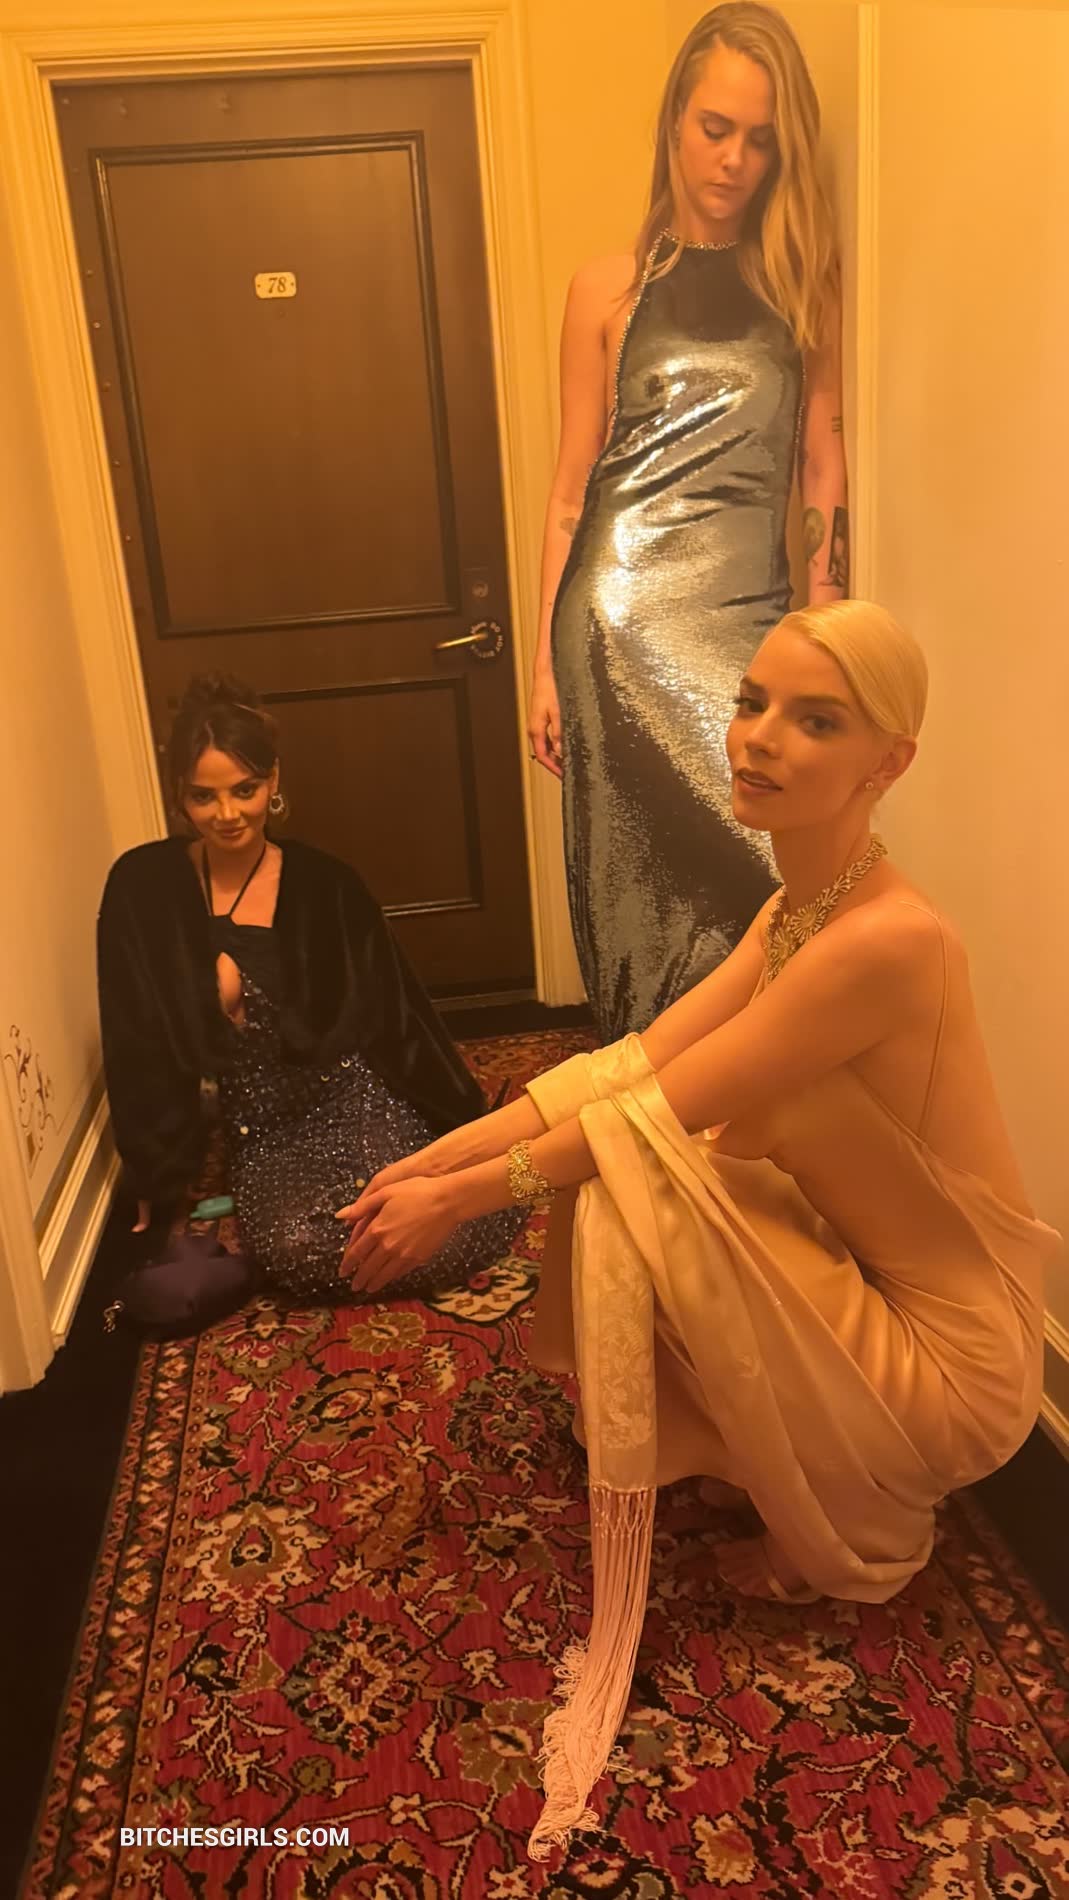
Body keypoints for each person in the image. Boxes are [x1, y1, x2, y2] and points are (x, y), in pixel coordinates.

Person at [339, 600, 1058, 1855]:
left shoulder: (884, 941)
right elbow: (632, 1059)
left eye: (815, 720)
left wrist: (456, 1199)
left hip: (958, 1368)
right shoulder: (802, 908)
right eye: (751, 702)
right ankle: (773, 1445)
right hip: (883, 1290)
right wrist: (427, 1157)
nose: (758, 737)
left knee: (641, 1172)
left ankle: (854, 1525)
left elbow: (651, 1112)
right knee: (636, 1147)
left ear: (888, 762)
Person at [528, 1, 847, 1039]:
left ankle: (749, 1113)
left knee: (773, 884)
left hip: (747, 630)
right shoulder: (606, 291)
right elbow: (572, 487)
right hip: (613, 632)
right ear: (673, 119)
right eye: (715, 128)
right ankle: (651, 1111)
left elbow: (820, 466)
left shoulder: (801, 288)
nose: (734, 160)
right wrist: (542, 664)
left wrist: (827, 633)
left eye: (760, 140)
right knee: (639, 910)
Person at [97, 675, 523, 1303]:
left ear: (273, 781)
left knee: (439, 1213)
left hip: (351, 1096)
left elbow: (397, 1018)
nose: (227, 814)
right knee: (296, 1250)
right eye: (203, 796)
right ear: (178, 795)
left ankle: (460, 1198)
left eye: (244, 790)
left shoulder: (328, 885)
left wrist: (459, 1126)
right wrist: (154, 1172)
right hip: (265, 1131)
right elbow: (133, 1039)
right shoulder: (143, 886)